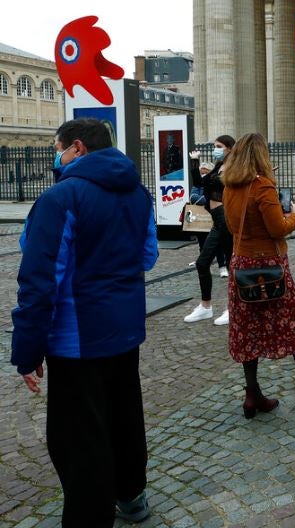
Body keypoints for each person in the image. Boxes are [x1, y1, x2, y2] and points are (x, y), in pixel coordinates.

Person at [11, 117, 158, 525]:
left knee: (78, 436)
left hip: (77, 336)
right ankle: (132, 497)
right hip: (125, 329)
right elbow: (147, 257)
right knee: (125, 415)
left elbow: (39, 281)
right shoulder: (139, 194)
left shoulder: (61, 198)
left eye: (59, 148)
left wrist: (27, 349)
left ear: (77, 148)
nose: (57, 156)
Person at [222, 132, 295, 418]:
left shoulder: (229, 186)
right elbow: (277, 228)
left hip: (241, 265)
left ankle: (252, 395)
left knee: (247, 331)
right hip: (269, 268)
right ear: (261, 156)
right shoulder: (262, 187)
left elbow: (230, 227)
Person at [182, 135, 235, 325]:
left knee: (231, 266)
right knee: (203, 263)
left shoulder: (233, 167)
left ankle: (233, 309)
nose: (215, 149)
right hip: (216, 221)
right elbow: (199, 182)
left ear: (229, 148)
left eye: (219, 146)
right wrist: (194, 161)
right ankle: (206, 306)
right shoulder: (218, 166)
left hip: (226, 219)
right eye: (214, 146)